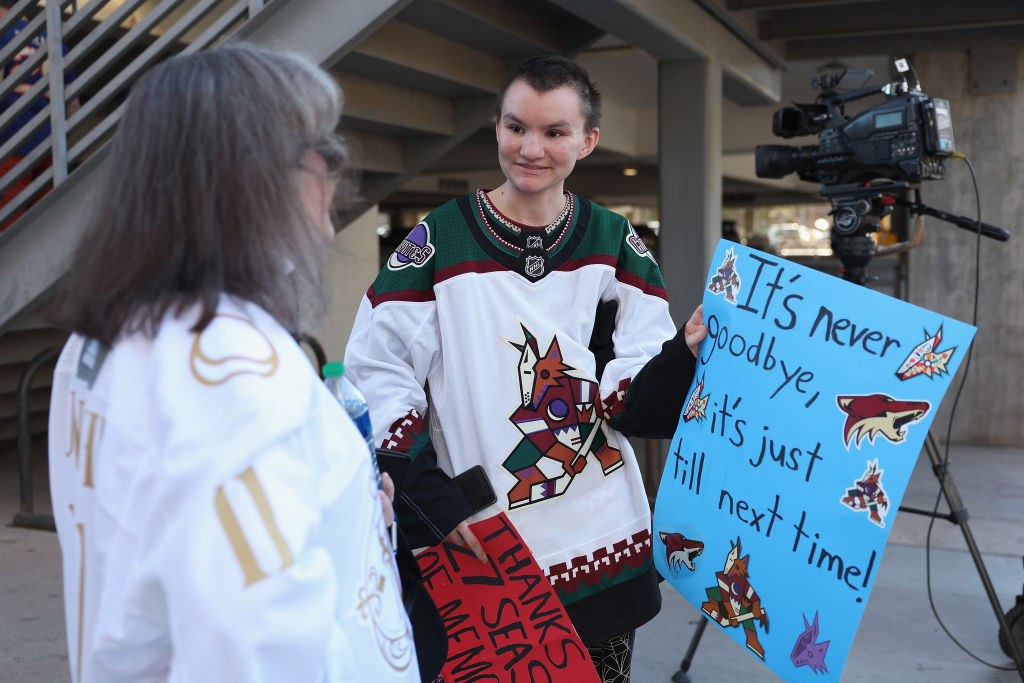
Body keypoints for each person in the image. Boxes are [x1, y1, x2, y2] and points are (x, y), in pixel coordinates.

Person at [47, 44, 418, 682]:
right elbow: (257, 648)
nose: (336, 174)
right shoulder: (223, 365)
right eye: (322, 154)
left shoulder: (105, 338)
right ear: (251, 177)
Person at [344, 55, 707, 682]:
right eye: (516, 127)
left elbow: (636, 404)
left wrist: (687, 352)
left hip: (600, 544)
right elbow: (377, 371)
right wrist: (434, 504)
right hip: (479, 547)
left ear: (588, 141)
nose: (530, 148)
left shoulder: (615, 243)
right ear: (497, 127)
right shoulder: (439, 239)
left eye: (554, 132)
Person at [0, 0, 78, 230]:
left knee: (8, 232)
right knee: (45, 227)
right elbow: (73, 106)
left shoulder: (2, 33)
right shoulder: (53, 36)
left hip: (11, 146)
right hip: (51, 147)